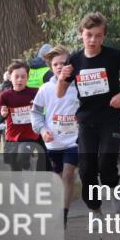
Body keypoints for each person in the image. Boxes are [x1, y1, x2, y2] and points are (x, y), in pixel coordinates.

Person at [57, 13, 120, 215]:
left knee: (106, 164)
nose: (93, 40)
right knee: (86, 169)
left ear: (104, 36)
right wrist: (61, 78)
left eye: (98, 35)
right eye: (89, 35)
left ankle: (115, 184)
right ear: (81, 35)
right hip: (86, 120)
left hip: (110, 117)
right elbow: (60, 93)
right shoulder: (74, 59)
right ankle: (95, 208)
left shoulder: (113, 55)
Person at [31, 45, 80, 228]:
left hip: (73, 141)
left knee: (68, 175)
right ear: (51, 67)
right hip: (53, 143)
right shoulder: (45, 89)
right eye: (56, 64)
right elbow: (35, 113)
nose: (60, 67)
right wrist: (42, 130)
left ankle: (64, 216)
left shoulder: (78, 86)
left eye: (64, 63)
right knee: (57, 178)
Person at [0, 60, 47, 171]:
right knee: (14, 168)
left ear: (27, 77)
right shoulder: (5, 96)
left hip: (30, 136)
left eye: (23, 77)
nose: (20, 80)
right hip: (12, 137)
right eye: (17, 77)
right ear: (10, 77)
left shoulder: (35, 92)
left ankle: (26, 162)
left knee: (23, 154)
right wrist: (2, 115)